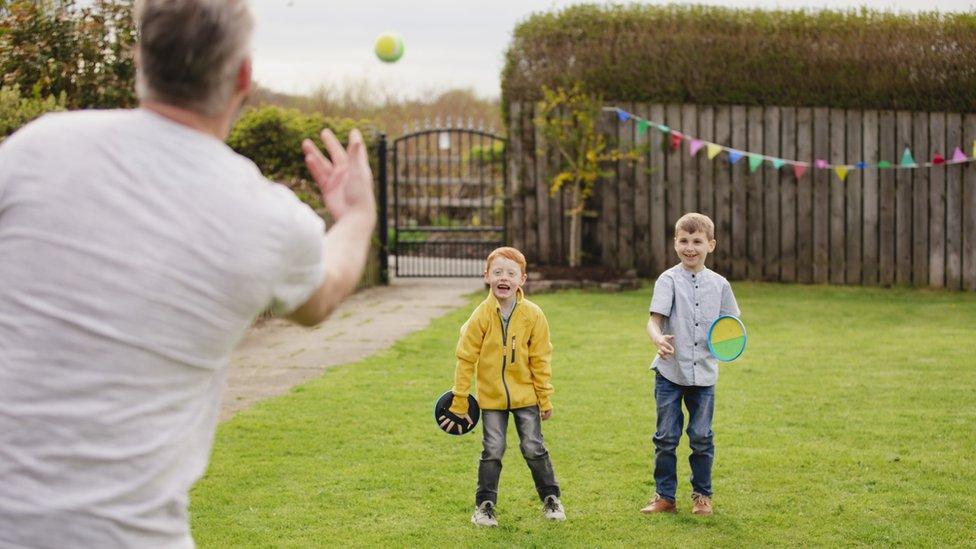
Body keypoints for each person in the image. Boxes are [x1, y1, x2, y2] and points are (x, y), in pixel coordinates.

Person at [0, 0, 376, 546]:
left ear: (140, 60)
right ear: (243, 77)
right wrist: (358, 214)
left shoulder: (35, 148)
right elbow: (325, 294)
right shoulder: (267, 216)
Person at [440, 246, 565, 527]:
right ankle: (484, 506)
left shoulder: (533, 315)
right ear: (487, 276)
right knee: (493, 449)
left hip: (527, 398)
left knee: (534, 447)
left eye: (511, 273)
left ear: (522, 279)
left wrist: (544, 398)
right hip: (491, 401)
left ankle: (551, 498)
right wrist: (459, 399)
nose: (503, 278)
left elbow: (541, 359)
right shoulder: (480, 316)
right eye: (497, 272)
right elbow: (465, 358)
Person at [640, 212, 740, 517]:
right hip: (670, 372)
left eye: (697, 241)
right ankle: (665, 497)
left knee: (701, 436)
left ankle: (702, 496)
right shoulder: (668, 280)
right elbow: (653, 321)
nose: (690, 247)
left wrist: (729, 345)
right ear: (675, 243)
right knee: (666, 437)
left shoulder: (720, 285)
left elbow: (731, 325)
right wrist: (658, 339)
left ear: (711, 245)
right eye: (684, 241)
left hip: (705, 376)